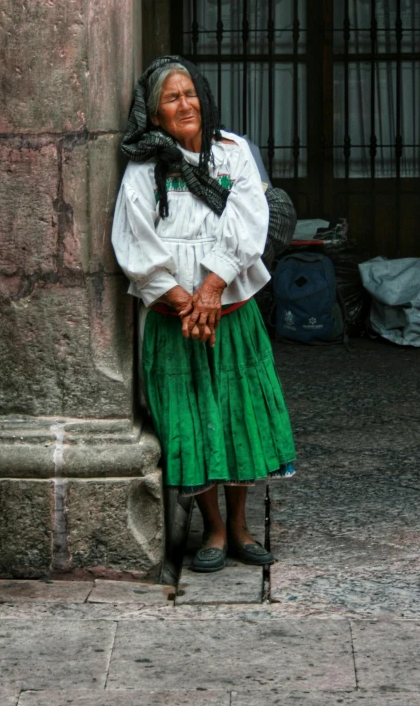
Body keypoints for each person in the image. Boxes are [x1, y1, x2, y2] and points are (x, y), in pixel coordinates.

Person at [111, 55, 296, 573]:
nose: (185, 104)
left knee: (238, 413)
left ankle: (239, 527)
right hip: (179, 320)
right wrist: (186, 302)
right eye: (171, 99)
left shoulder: (232, 153)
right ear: (154, 115)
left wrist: (213, 288)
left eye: (190, 94)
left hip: (231, 311)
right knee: (194, 420)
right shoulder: (144, 171)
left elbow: (249, 223)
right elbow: (136, 243)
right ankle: (211, 528)